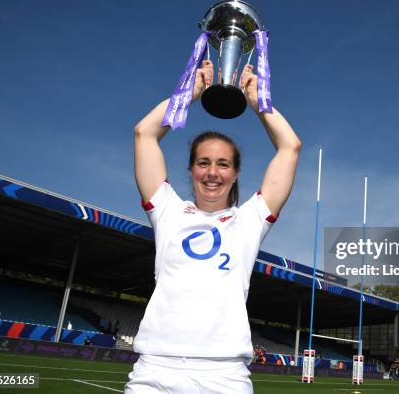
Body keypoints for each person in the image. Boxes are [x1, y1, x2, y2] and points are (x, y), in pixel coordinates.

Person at [125, 60, 301, 394]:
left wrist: (258, 102)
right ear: (191, 169)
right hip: (154, 373)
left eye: (223, 164)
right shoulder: (167, 211)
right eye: (203, 162)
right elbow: (144, 133)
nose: (212, 172)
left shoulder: (249, 220)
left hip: (224, 378)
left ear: (235, 173)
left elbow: (290, 146)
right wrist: (188, 95)